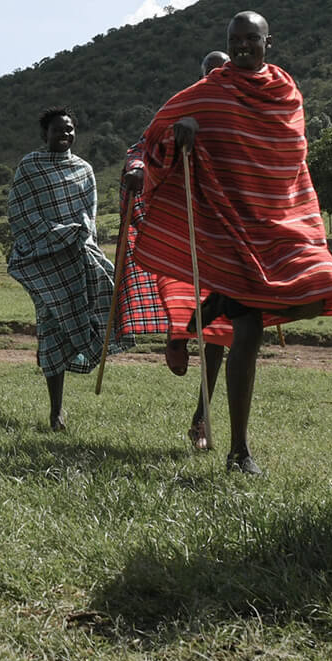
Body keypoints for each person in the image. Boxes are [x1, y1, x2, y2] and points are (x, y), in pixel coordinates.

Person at [120, 12, 332, 475]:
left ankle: (218, 302)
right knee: (247, 333)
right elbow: (154, 134)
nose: (242, 46)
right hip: (229, 231)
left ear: (268, 42)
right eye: (234, 39)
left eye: (250, 39)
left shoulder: (286, 91)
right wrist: (178, 135)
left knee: (325, 287)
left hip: (280, 224)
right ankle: (239, 452)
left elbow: (291, 154)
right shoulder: (208, 92)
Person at [119, 52, 236, 451]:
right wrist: (138, 168)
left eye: (224, 70)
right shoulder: (186, 104)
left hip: (227, 233)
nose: (219, 76)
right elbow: (142, 147)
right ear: (201, 76)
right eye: (212, 72)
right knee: (186, 300)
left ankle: (201, 418)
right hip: (183, 229)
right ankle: (179, 332)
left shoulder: (243, 109)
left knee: (221, 327)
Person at [6, 108, 120, 431]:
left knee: (103, 300)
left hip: (76, 255)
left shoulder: (84, 170)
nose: (65, 135)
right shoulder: (30, 166)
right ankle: (56, 412)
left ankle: (80, 358)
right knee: (51, 327)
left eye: (69, 130)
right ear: (45, 134)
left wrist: (77, 234)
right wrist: (54, 233)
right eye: (58, 130)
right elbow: (20, 212)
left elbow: (89, 215)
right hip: (44, 260)